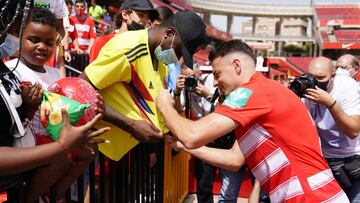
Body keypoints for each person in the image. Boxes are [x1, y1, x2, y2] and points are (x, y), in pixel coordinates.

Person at [156, 40, 348, 202]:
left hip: (309, 196)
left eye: (217, 74)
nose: (215, 82)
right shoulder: (261, 93)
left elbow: (192, 135)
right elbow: (234, 160)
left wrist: (165, 105)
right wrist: (184, 147)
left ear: (237, 66)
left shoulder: (251, 92)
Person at [0, 0, 109, 200]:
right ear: (20, 35)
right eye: (34, 40)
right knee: (61, 158)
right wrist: (27, 104)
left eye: (49, 43)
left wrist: (92, 107)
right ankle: (30, 198)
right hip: (30, 142)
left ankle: (56, 193)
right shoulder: (11, 69)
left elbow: (69, 106)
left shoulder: (55, 74)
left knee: (90, 150)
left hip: (54, 135)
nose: (42, 47)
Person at [79, 11, 208, 161]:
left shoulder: (160, 59)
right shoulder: (128, 48)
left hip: (119, 152)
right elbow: (81, 90)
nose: (178, 58)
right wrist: (131, 125)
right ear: (169, 33)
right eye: (179, 51)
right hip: (93, 146)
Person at [173, 64, 244, 203]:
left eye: (194, 77)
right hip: (203, 138)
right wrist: (177, 91)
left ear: (200, 74)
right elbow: (178, 108)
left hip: (223, 137)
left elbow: (229, 107)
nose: (191, 82)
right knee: (203, 185)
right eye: (188, 78)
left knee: (228, 188)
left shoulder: (214, 82)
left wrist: (208, 94)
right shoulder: (185, 88)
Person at [303, 57, 360, 201]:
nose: (315, 83)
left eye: (321, 78)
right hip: (327, 160)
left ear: (333, 74)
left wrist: (330, 103)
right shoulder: (307, 88)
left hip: (353, 157)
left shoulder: (347, 87)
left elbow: (353, 131)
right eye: (311, 78)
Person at [89, 0, 158, 63]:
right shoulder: (101, 42)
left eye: (147, 18)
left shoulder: (141, 50)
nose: (145, 22)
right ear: (125, 15)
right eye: (141, 15)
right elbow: (90, 75)